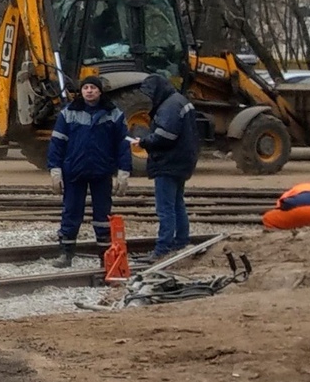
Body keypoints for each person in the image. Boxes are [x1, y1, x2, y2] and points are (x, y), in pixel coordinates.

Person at [47, 76, 130, 267]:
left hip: (102, 172)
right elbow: (57, 143)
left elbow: (123, 145)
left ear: (100, 91)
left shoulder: (114, 114)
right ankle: (66, 254)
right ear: (81, 91)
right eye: (86, 87)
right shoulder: (68, 113)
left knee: (103, 216)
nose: (89, 91)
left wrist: (124, 170)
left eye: (93, 87)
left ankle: (105, 256)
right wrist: (55, 169)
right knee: (71, 212)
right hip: (74, 171)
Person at [131, 72, 200, 264]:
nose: (149, 98)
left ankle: (163, 249)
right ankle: (181, 242)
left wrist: (144, 142)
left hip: (168, 162)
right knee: (177, 204)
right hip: (182, 161)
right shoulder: (179, 100)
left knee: (166, 207)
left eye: (150, 93)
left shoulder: (169, 106)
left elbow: (165, 136)